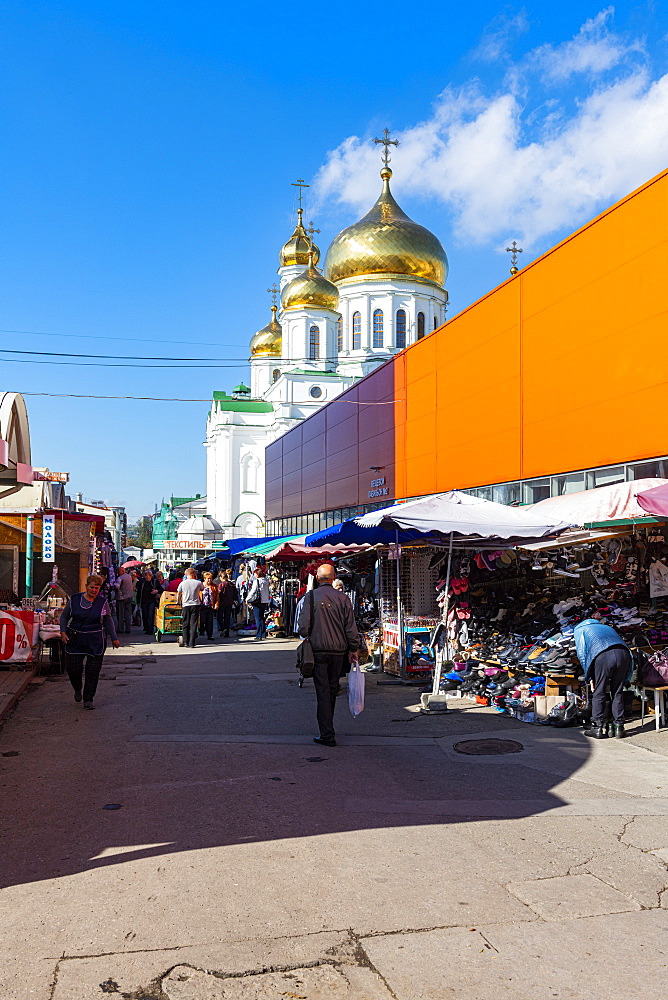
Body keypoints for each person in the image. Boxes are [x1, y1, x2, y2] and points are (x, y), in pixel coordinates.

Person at [296, 564, 361, 747]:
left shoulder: (310, 598)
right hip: (338, 651)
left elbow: (302, 627)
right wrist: (353, 648)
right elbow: (351, 627)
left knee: (323, 691)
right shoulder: (343, 598)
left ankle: (327, 732)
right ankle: (328, 729)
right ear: (333, 578)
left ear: (318, 578)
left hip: (317, 650)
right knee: (332, 688)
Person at [59, 574, 120, 709]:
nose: (94, 590)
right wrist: (63, 632)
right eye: (92, 587)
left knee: (92, 671)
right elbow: (64, 617)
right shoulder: (75, 600)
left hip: (96, 641)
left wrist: (114, 638)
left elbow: (108, 620)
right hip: (76, 639)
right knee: (73, 669)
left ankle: (88, 699)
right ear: (86, 586)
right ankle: (77, 687)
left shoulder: (102, 602)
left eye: (97, 588)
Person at [574, 615, 632, 739]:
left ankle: (597, 727)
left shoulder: (580, 630)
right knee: (617, 691)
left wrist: (589, 677)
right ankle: (619, 727)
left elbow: (582, 654)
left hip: (603, 654)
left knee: (599, 691)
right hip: (624, 653)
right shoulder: (606, 627)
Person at [177, 568, 203, 648]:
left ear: (186, 574)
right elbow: (202, 589)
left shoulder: (182, 583)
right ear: (194, 575)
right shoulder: (198, 583)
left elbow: (179, 593)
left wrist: (178, 602)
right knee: (194, 623)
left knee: (185, 623)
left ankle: (186, 642)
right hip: (195, 604)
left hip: (186, 604)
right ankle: (192, 642)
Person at [246, 567, 270, 641]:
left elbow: (253, 591)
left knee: (258, 618)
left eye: (255, 573)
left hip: (258, 601)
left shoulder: (257, 581)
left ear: (257, 574)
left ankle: (259, 635)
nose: (254, 575)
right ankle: (263, 633)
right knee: (262, 618)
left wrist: (247, 599)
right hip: (265, 601)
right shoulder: (266, 581)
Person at [136, 569, 160, 635]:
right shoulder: (142, 582)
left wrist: (156, 591)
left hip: (152, 601)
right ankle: (146, 627)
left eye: (147, 576)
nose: (145, 577)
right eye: (145, 576)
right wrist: (138, 602)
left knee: (150, 615)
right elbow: (139, 592)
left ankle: (150, 629)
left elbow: (161, 589)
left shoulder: (155, 582)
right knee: (145, 615)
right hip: (144, 601)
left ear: (151, 576)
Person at [217, 569, 238, 637]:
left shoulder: (221, 585)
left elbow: (219, 593)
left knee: (219, 617)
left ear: (221, 578)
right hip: (229, 603)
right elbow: (235, 593)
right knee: (227, 618)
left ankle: (223, 628)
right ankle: (227, 633)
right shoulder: (231, 584)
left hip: (222, 603)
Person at [199, 571, 218, 640]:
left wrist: (216, 604)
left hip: (210, 606)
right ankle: (201, 631)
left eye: (211, 578)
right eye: (208, 578)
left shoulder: (214, 586)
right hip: (202, 606)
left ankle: (209, 635)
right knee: (202, 620)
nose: (210, 580)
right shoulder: (200, 585)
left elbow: (217, 596)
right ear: (204, 578)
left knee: (210, 622)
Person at [114, 567, 134, 634]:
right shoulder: (129, 577)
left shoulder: (120, 578)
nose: (118, 573)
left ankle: (120, 628)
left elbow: (117, 586)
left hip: (121, 597)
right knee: (127, 613)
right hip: (129, 596)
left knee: (120, 614)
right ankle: (128, 628)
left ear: (122, 571)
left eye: (119, 571)